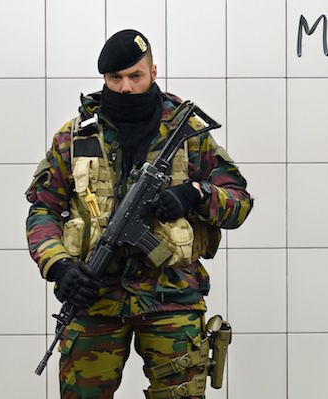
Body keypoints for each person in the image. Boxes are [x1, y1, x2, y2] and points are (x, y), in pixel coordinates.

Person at [25, 29, 252, 398]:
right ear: (104, 79)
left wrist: (196, 193)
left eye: (136, 76)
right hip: (94, 297)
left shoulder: (188, 132)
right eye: (116, 78)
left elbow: (239, 201)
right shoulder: (75, 137)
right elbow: (42, 210)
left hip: (171, 298)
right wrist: (59, 266)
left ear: (154, 72)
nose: (126, 87)